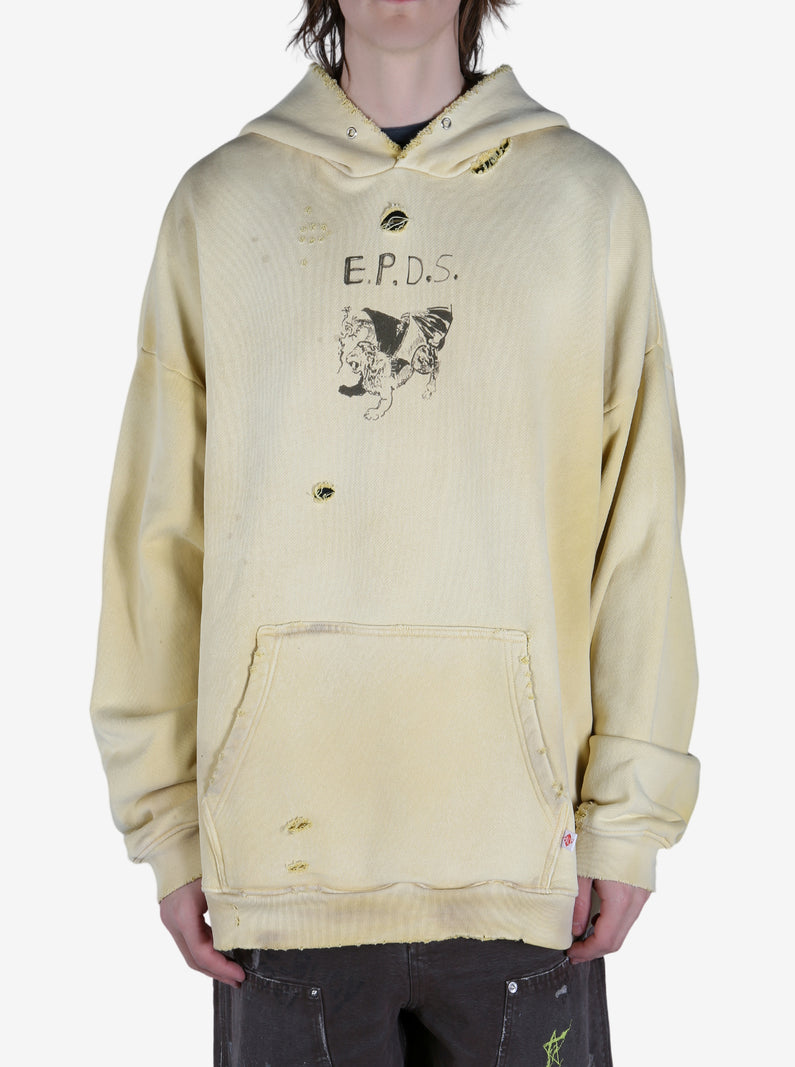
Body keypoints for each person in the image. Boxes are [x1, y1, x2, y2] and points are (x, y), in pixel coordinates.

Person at [89, 0, 700, 1062]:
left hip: (521, 857)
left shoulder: (582, 202)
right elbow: (159, 539)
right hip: (286, 862)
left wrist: (628, 817)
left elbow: (637, 527)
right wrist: (167, 822)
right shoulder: (221, 206)